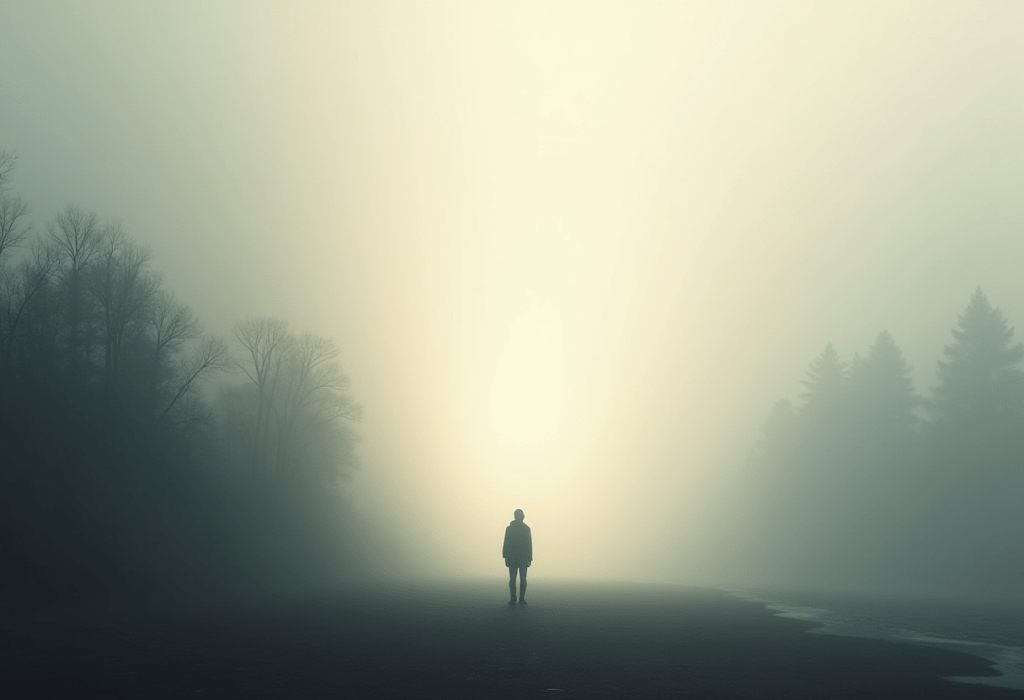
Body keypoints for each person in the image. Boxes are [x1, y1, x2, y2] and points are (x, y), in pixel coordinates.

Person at [502, 509, 532, 605]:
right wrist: (529, 557)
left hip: (512, 557)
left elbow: (506, 543)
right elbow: (529, 544)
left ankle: (513, 598)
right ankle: (521, 598)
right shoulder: (526, 529)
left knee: (513, 578)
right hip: (523, 557)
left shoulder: (510, 528)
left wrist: (505, 556)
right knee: (522, 578)